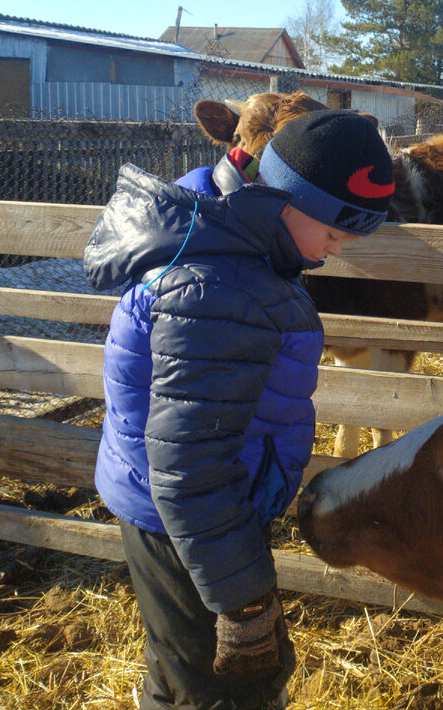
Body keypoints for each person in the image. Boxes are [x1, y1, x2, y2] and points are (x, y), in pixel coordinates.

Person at [83, 109, 395, 710]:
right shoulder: (219, 287)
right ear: (283, 199)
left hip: (195, 513)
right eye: (333, 232)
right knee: (228, 690)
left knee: (182, 674)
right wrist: (242, 601)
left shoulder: (234, 245)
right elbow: (188, 464)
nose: (335, 251)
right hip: (190, 521)